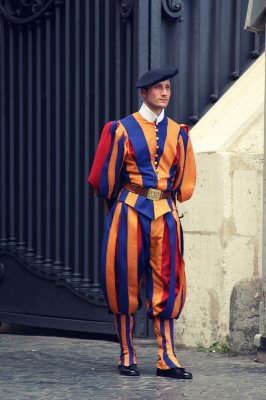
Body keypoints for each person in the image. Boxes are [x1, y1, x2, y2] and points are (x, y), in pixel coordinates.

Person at [88, 67, 196, 379]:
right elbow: (102, 179)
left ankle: (167, 358)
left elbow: (183, 181)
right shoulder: (120, 129)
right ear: (143, 93)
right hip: (130, 212)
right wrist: (119, 205)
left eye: (168, 87)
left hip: (165, 212)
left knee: (168, 281)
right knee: (124, 279)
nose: (165, 92)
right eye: (158, 88)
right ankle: (126, 353)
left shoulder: (179, 133)